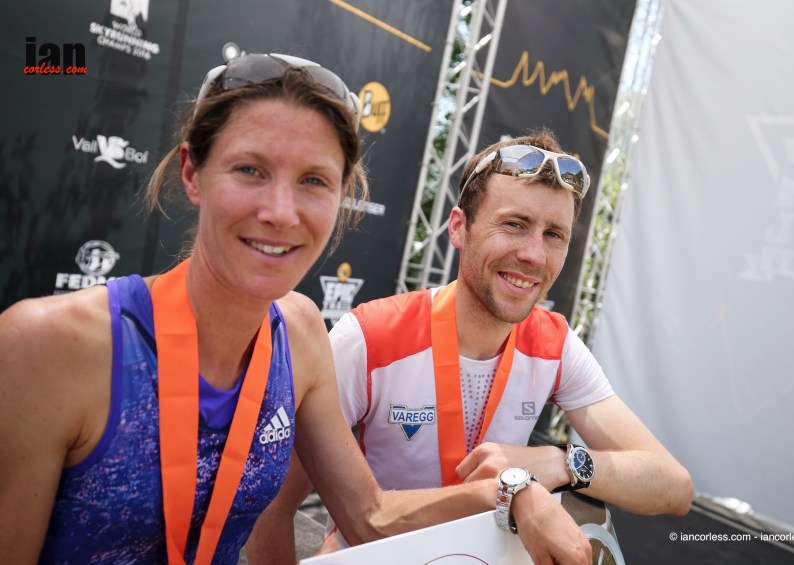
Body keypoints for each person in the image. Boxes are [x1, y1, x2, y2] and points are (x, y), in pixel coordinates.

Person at [0, 54, 591, 564]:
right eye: (250, 170)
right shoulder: (51, 344)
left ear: (342, 196)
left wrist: (516, 490)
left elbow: (369, 516)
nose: (281, 212)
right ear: (192, 173)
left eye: (313, 181)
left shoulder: (300, 331)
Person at [247, 129, 693, 561]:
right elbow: (271, 509)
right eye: (514, 224)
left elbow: (673, 486)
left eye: (554, 234)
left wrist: (558, 462)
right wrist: (516, 486)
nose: (534, 254)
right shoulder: (368, 338)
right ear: (459, 228)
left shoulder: (555, 345)